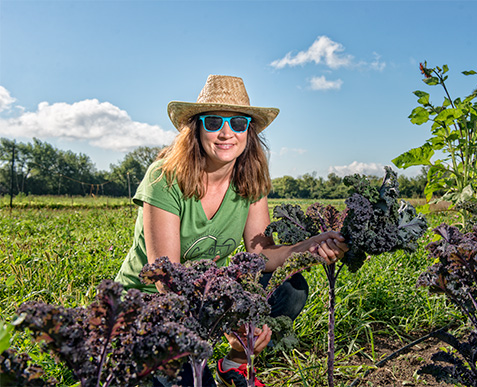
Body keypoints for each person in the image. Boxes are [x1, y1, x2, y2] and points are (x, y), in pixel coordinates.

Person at [114, 75, 348, 387]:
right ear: (196, 128)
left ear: (249, 132)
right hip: (150, 302)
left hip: (211, 293)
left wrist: (311, 245)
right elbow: (165, 280)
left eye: (238, 123)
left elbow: (260, 255)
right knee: (191, 381)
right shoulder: (165, 178)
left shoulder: (249, 179)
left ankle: (234, 363)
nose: (226, 132)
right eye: (214, 121)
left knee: (290, 289)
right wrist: (229, 319)